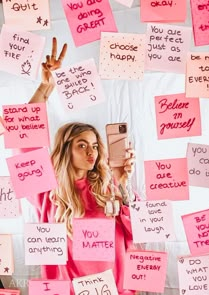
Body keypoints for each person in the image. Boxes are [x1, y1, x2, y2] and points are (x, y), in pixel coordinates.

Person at [27, 38, 137, 295]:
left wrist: (122, 184)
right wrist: (45, 88)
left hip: (116, 289)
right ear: (66, 150)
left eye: (95, 146)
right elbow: (26, 138)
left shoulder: (107, 187)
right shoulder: (49, 194)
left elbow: (139, 229)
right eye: (82, 145)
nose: (92, 152)